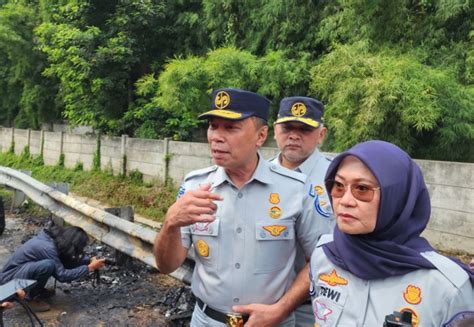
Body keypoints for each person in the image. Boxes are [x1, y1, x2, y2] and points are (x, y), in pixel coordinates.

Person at [154, 88, 334, 326]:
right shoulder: (194, 186)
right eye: (213, 126)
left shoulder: (295, 189)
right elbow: (167, 266)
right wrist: (170, 224)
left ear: (260, 136)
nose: (216, 137)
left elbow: (320, 260)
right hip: (206, 320)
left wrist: (281, 309)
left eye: (230, 128)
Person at [309, 140, 474, 326]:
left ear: (396, 197)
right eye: (338, 186)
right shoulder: (324, 256)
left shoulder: (447, 286)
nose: (345, 200)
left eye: (362, 189)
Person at [272, 96, 334, 326]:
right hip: (267, 305)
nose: (294, 135)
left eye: (305, 129)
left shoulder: (338, 178)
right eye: (287, 127)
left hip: (319, 306)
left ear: (321, 135)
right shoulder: (261, 176)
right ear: (275, 130)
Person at [0, 225, 105, 312]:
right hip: (9, 284)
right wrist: (90, 267)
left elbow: (64, 260)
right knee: (48, 265)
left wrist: (87, 261)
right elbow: (63, 276)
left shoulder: (52, 240)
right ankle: (30, 298)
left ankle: (37, 290)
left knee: (51, 263)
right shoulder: (47, 248)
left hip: (16, 274)